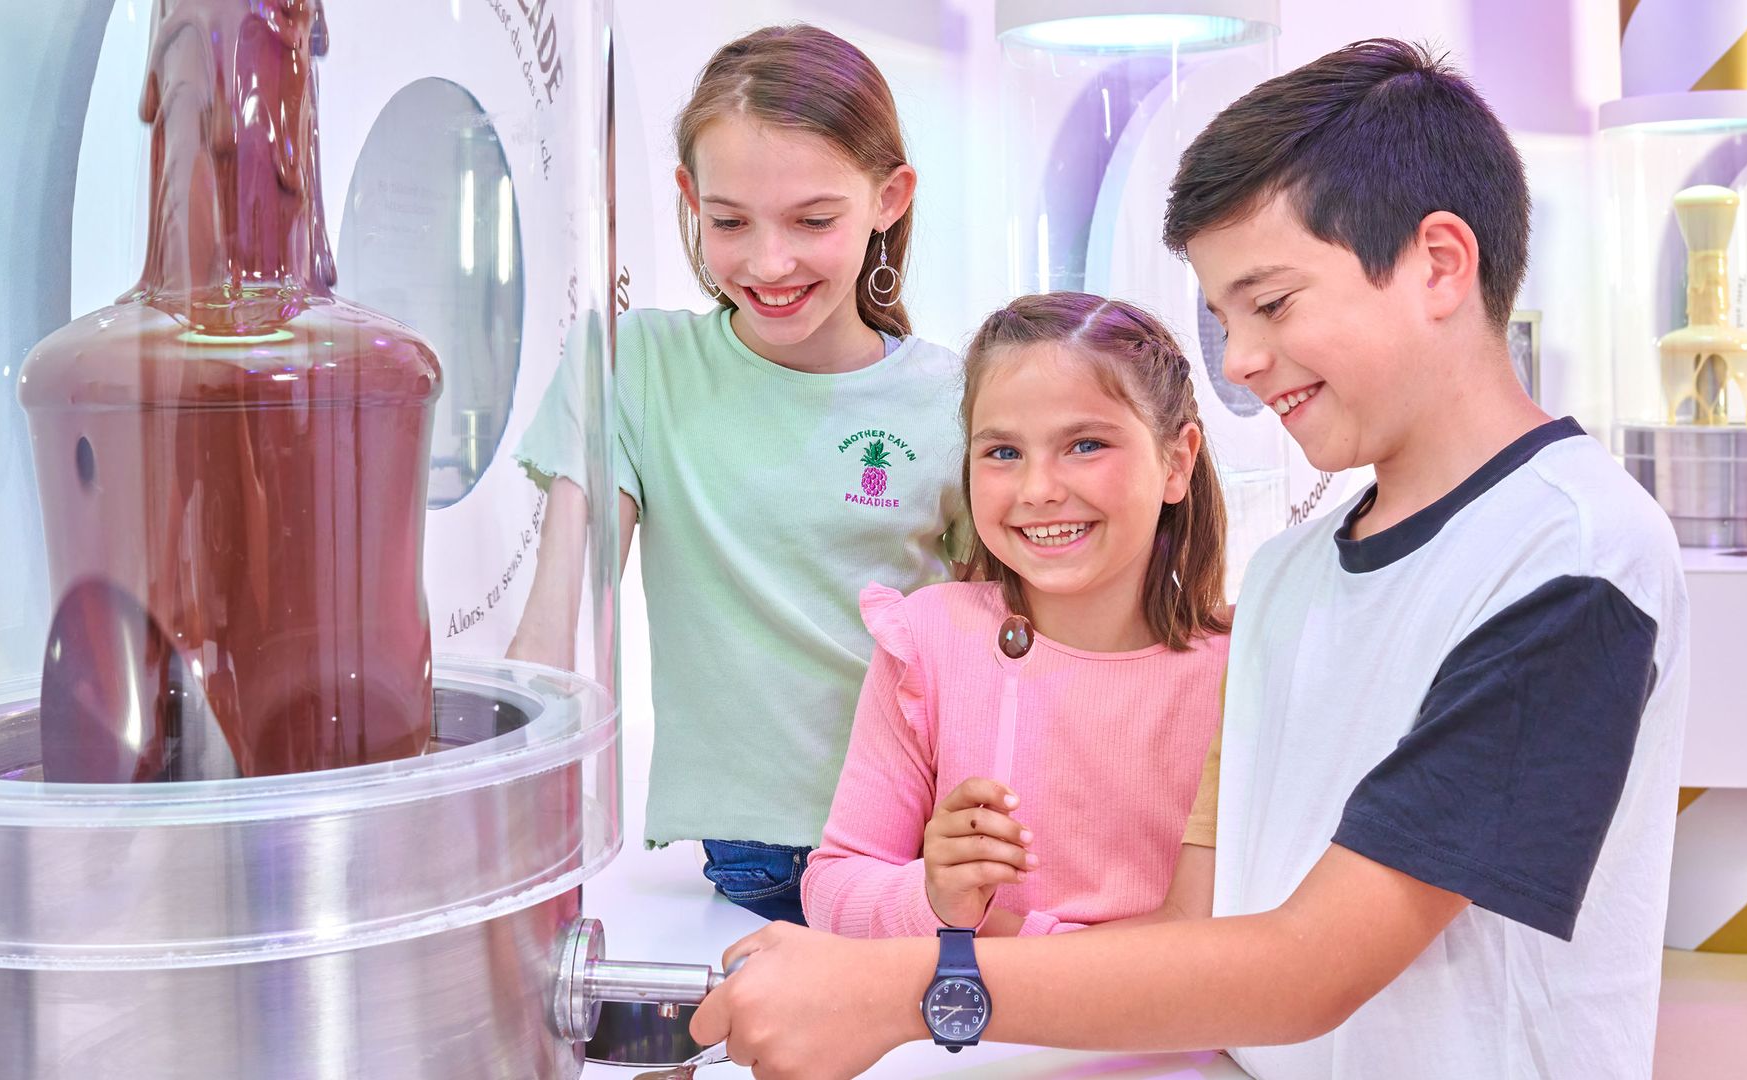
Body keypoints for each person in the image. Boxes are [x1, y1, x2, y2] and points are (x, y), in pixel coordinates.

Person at [689, 39, 1688, 1080]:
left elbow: (1309, 967)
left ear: (1438, 264)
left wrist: (912, 992)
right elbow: (1193, 931)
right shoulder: (1295, 578)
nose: (1243, 361)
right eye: (1224, 319)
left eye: (1273, 303)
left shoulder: (1569, 558)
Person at [510, 24, 968, 925]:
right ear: (688, 198)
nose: (768, 262)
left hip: (931, 836)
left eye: (813, 220)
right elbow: (551, 629)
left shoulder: (955, 398)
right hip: (763, 853)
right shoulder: (635, 366)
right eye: (728, 222)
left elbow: (1003, 636)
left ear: (889, 198)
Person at [801, 293, 1228, 942]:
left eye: (1085, 445)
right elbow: (834, 888)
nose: (1038, 490)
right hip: (969, 1041)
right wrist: (935, 894)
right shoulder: (928, 641)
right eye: (1002, 453)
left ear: (1177, 460)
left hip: (1171, 1040)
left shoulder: (1239, 672)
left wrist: (1032, 943)